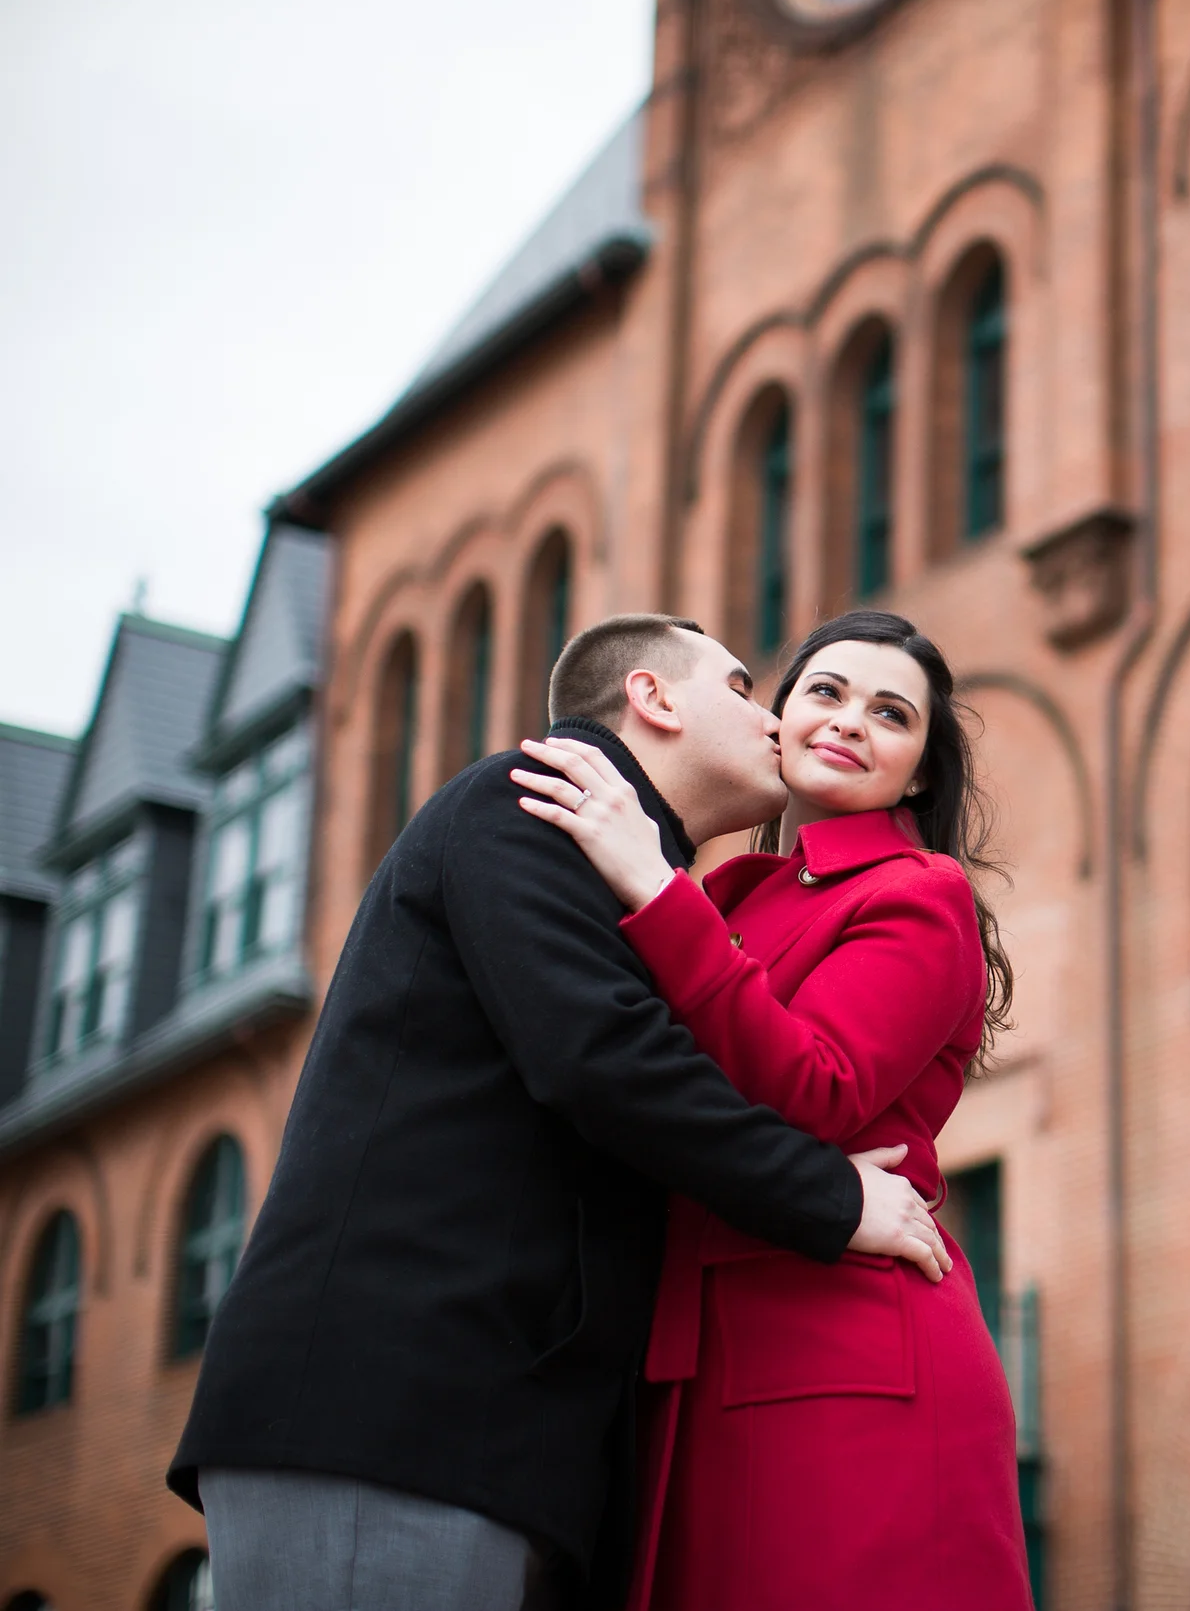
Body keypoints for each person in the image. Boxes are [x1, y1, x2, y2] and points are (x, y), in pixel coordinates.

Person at [169, 614, 952, 1611]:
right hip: (390, 1421)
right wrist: (833, 1195)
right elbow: (606, 1058)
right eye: (745, 687)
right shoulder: (528, 797)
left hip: (498, 1443)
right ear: (654, 697)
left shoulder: (653, 884)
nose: (776, 722)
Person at [515, 609, 1031, 1610]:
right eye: (824, 692)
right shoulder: (736, 895)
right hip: (699, 1349)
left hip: (841, 1354)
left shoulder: (919, 893)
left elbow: (818, 1085)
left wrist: (654, 888)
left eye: (891, 713)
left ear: (919, 771)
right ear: (778, 717)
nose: (848, 721)